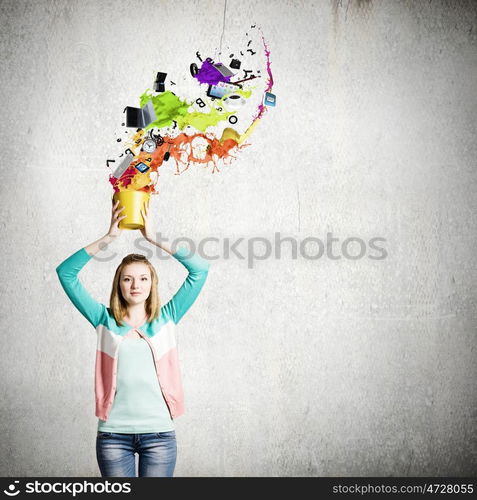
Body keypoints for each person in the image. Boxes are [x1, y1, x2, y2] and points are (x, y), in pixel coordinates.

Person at [56, 199, 210, 477]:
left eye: (143, 279)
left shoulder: (168, 317)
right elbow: (65, 274)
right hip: (113, 437)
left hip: (160, 435)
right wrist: (109, 236)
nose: (136, 285)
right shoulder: (103, 319)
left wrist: (154, 238)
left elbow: (200, 270)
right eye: (127, 279)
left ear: (152, 284)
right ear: (119, 285)